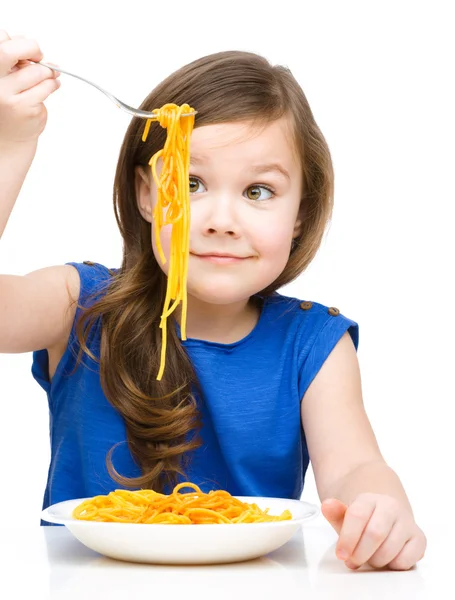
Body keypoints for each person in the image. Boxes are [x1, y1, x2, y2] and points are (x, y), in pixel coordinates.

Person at [0, 30, 426, 570]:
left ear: (299, 215)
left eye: (258, 192)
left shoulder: (313, 344)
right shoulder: (78, 305)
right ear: (147, 195)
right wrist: (9, 146)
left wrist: (380, 508)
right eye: (192, 182)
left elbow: (355, 469)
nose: (222, 222)